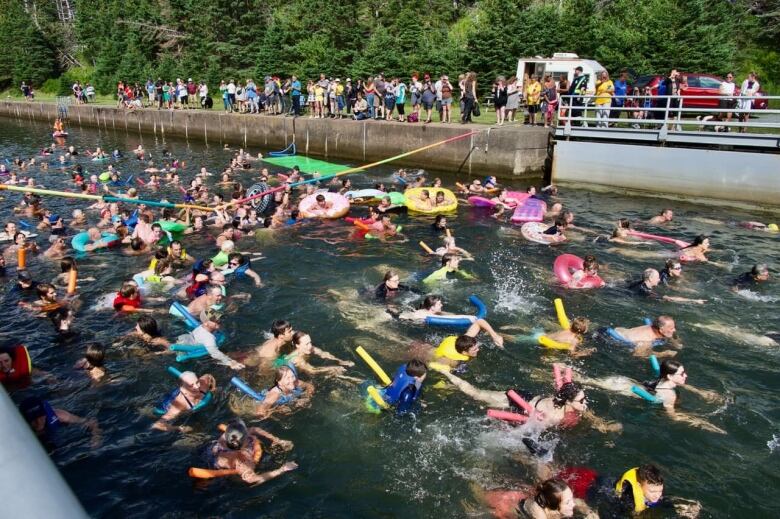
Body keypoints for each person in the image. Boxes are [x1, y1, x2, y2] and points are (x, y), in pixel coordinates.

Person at [431, 369, 621, 433]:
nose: (585, 403)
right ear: (569, 402)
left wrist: (602, 425)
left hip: (533, 398)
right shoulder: (552, 416)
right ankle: (446, 374)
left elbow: (585, 412)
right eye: (581, 400)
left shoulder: (573, 405)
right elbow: (526, 430)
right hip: (519, 400)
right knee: (476, 395)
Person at [206, 420, 297, 484]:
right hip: (224, 465)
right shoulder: (238, 462)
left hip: (225, 450)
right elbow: (252, 479)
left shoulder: (231, 436)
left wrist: (277, 440)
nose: (248, 431)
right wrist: (282, 469)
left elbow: (254, 429)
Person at [400, 295, 504, 347]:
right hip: (413, 324)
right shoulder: (421, 315)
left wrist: (465, 316)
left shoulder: (436, 312)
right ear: (432, 307)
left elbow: (452, 316)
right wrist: (470, 318)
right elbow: (403, 317)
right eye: (440, 304)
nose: (442, 305)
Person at [20, 397, 101, 448]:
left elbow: (91, 422)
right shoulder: (21, 428)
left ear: (45, 413)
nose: (38, 422)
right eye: (33, 419)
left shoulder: (60, 415)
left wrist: (96, 436)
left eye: (41, 416)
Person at [152, 370, 216, 432]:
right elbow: (157, 425)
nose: (197, 387)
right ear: (183, 388)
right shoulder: (180, 403)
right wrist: (179, 428)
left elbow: (208, 378)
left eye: (197, 382)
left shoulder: (201, 387)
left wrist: (211, 386)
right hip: (161, 411)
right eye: (191, 385)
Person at [481, 478, 576, 519]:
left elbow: (578, 503)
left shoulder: (551, 502)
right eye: (568, 502)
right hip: (501, 501)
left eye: (571, 499)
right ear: (550, 506)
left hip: (517, 496)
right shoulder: (539, 515)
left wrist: (589, 512)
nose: (573, 504)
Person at [274, 331, 353, 376]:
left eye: (310, 342)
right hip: (277, 368)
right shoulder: (297, 359)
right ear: (297, 346)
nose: (310, 346)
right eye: (306, 344)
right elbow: (312, 370)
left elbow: (324, 354)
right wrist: (332, 368)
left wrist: (341, 361)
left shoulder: (310, 348)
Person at [605, 315, 678, 357]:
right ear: (661, 330)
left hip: (621, 330)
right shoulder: (646, 340)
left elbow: (665, 335)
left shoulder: (653, 327)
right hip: (609, 338)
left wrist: (675, 342)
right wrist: (664, 354)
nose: (674, 330)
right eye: (671, 328)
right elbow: (638, 354)